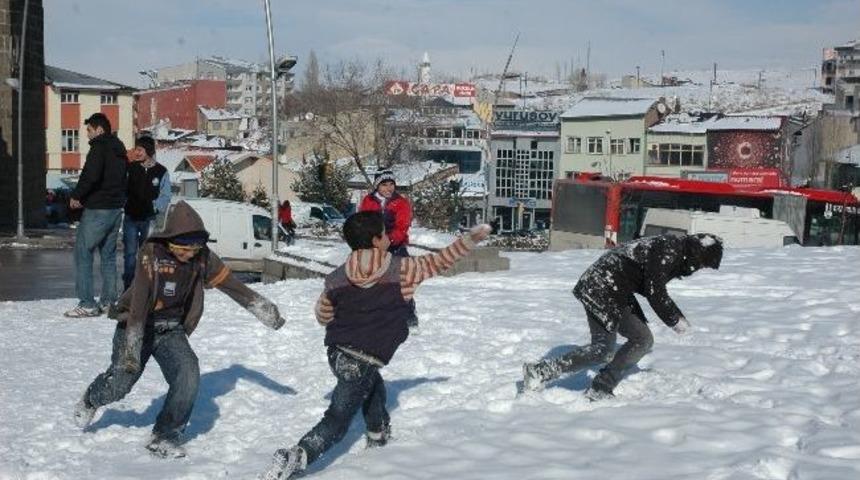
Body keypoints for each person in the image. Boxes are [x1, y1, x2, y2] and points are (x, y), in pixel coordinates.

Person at [260, 212, 491, 480]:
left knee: (371, 384)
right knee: (337, 419)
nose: (389, 237)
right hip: (362, 357)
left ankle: (378, 433)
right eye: (384, 234)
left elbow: (323, 315)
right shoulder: (404, 269)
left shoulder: (336, 277)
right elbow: (443, 260)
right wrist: (473, 237)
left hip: (337, 352)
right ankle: (297, 456)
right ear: (375, 240)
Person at [73, 201, 286, 458]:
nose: (189, 254)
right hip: (136, 325)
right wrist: (132, 347)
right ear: (170, 241)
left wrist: (262, 307)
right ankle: (91, 398)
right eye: (183, 249)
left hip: (171, 329)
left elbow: (232, 285)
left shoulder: (203, 257)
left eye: (195, 249)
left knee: (188, 374)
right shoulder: (152, 253)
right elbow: (140, 302)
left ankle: (164, 436)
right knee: (120, 383)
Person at [522, 233, 724, 400]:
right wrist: (677, 321)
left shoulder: (676, 251)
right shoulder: (670, 249)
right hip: (601, 285)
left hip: (616, 288)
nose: (699, 269)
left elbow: (648, 283)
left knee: (643, 340)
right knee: (602, 350)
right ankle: (540, 371)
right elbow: (655, 291)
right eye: (704, 264)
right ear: (699, 254)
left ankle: (601, 386)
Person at [65, 113, 129, 318]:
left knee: (83, 252)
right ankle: (109, 302)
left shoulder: (99, 147)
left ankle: (87, 303)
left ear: (99, 130)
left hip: (98, 208)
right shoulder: (119, 149)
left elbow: (90, 175)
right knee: (108, 256)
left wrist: (77, 196)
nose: (87, 136)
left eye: (89, 131)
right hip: (115, 208)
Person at [358, 170, 418, 327]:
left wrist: (389, 240)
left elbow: (402, 227)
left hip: (396, 247)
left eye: (391, 184)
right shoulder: (368, 201)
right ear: (377, 186)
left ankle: (409, 315)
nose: (389, 188)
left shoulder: (401, 203)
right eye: (384, 184)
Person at [122, 135, 171, 290]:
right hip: (130, 218)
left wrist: (154, 206)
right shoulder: (130, 168)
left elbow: (166, 196)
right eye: (136, 150)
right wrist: (125, 204)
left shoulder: (161, 171)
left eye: (140, 150)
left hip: (149, 220)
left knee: (147, 256)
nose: (136, 153)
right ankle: (128, 288)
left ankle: (146, 288)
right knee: (130, 255)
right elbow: (122, 189)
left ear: (148, 151)